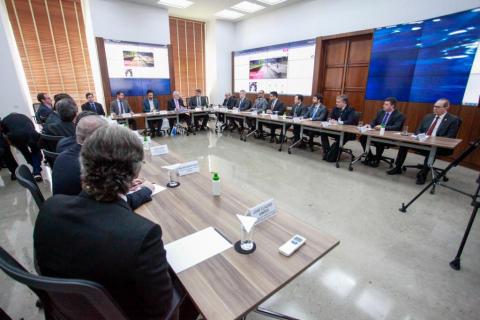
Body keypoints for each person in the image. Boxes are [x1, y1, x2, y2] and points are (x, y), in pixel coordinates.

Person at [34, 125, 173, 319]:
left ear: (83, 164)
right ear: (135, 172)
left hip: (64, 312)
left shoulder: (49, 209)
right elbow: (162, 310)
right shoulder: (142, 234)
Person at [387, 98, 460, 184]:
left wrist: (431, 140)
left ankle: (423, 174)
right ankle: (397, 167)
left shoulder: (453, 120)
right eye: (434, 106)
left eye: (438, 107)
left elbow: (449, 137)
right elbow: (418, 130)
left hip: (437, 145)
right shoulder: (428, 116)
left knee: (431, 150)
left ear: (446, 108)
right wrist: (421, 137)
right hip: (422, 141)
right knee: (404, 144)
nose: (434, 108)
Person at [360, 97, 405, 167]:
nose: (383, 105)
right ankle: (370, 156)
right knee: (363, 138)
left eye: (386, 104)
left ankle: (376, 160)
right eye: (384, 104)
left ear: (392, 106)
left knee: (379, 141)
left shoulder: (399, 115)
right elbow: (374, 121)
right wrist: (370, 125)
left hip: (389, 136)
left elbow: (396, 127)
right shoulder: (380, 112)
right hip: (377, 133)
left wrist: (383, 127)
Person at [0, 113, 43, 181]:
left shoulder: (4, 121)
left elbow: (5, 136)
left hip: (16, 137)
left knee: (25, 153)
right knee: (36, 151)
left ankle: (36, 170)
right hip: (31, 134)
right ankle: (36, 170)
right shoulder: (23, 116)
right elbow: (32, 126)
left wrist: (12, 144)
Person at [320, 94, 358, 162]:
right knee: (323, 131)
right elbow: (330, 117)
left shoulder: (351, 109)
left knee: (340, 139)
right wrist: (330, 120)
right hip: (336, 130)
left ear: (344, 102)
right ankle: (327, 150)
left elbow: (350, 121)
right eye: (336, 101)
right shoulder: (335, 108)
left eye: (338, 102)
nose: (336, 103)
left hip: (347, 133)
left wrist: (338, 122)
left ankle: (331, 155)